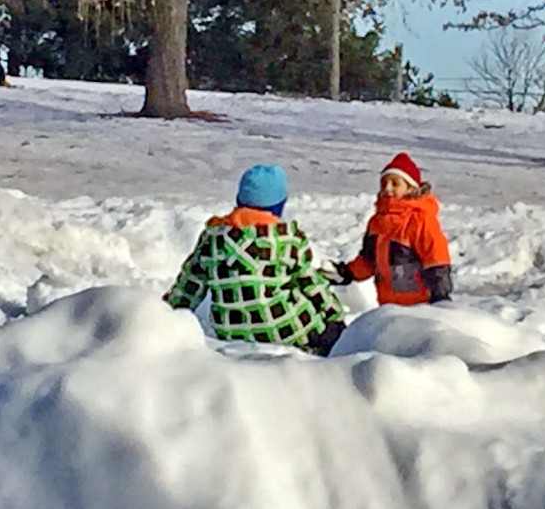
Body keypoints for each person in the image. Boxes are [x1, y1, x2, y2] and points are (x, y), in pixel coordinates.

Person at [164, 164, 346, 356]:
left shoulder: (213, 239)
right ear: (279, 205)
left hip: (231, 331)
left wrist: (164, 314)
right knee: (326, 332)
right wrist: (335, 317)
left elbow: (188, 287)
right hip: (286, 330)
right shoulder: (285, 241)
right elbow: (311, 283)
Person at [328, 152, 452, 305]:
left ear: (410, 188)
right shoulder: (377, 223)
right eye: (384, 183)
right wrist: (347, 273)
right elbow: (368, 261)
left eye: (395, 183)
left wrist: (440, 296)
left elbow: (436, 259)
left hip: (420, 305)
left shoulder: (420, 220)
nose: (387, 188)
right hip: (388, 305)